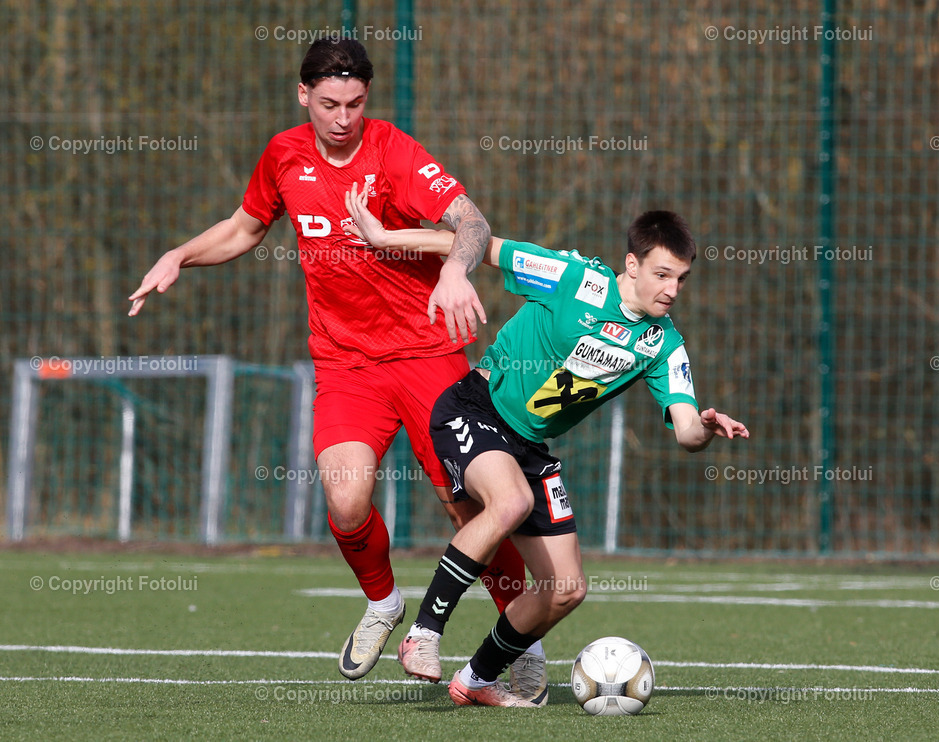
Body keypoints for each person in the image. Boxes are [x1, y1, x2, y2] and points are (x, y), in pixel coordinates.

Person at [127, 38, 545, 694]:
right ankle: (383, 603)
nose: (343, 117)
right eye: (328, 104)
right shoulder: (283, 154)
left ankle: (520, 644)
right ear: (304, 97)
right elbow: (246, 227)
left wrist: (457, 271)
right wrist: (179, 255)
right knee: (347, 500)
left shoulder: (395, 153)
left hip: (430, 358)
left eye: (354, 102)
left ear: (367, 98)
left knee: (469, 511)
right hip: (347, 365)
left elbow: (470, 220)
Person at [344, 186, 749, 707]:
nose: (672, 290)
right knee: (510, 502)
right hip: (476, 409)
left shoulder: (664, 343)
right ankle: (424, 633)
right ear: (632, 264)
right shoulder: (574, 278)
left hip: (530, 445)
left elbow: (687, 429)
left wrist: (707, 426)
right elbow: (479, 244)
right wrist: (383, 236)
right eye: (662, 274)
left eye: (682, 279)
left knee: (567, 589)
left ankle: (477, 680)